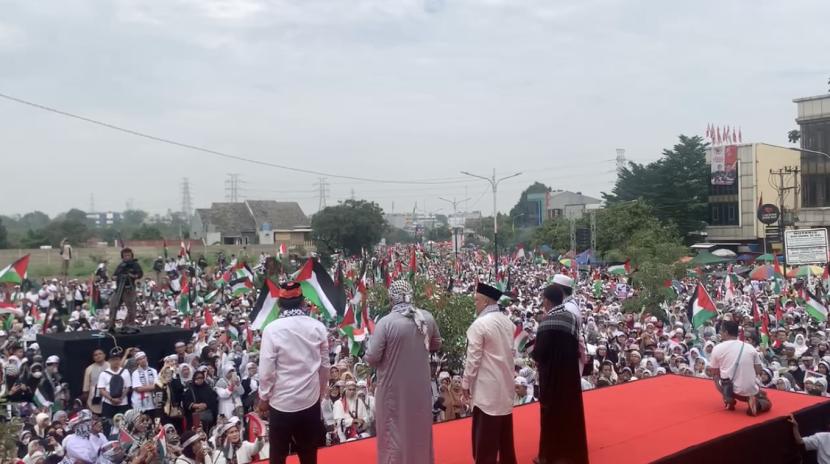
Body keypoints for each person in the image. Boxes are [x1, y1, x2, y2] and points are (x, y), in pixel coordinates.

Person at [364, 279, 442, 464]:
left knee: (393, 433)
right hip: (420, 388)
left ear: (392, 299)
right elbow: (436, 344)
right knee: (419, 430)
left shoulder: (386, 323)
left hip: (393, 390)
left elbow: (372, 356)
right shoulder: (426, 318)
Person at [258, 281, 329, 464]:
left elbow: (266, 371)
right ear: (303, 302)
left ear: (279, 304)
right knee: (308, 455)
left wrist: (264, 397)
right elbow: (325, 367)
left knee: (278, 455)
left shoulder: (271, 330)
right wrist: (319, 394)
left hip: (281, 404)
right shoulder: (317, 327)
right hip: (309, 401)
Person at [532, 284, 589, 464]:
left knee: (550, 418)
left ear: (547, 301)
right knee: (571, 415)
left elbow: (539, 354)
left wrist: (531, 350)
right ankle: (572, 456)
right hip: (570, 378)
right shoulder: (572, 318)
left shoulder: (545, 323)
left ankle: (547, 457)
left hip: (551, 381)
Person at [462, 282, 517, 464]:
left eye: (476, 300)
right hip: (505, 385)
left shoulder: (480, 325)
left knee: (485, 441)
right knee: (505, 437)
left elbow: (473, 360)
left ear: (485, 301)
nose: (474, 304)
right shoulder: (508, 322)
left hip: (487, 389)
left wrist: (465, 384)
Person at [706, 320, 772, 416]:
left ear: (726, 332)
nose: (719, 333)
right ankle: (757, 404)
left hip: (728, 387)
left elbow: (714, 372)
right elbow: (759, 370)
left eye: (721, 331)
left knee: (716, 377)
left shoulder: (717, 348)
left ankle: (728, 398)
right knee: (767, 402)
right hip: (749, 390)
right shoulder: (750, 348)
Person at [110, 248, 144, 328]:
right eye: (125, 255)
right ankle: (111, 325)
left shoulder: (135, 264)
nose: (127, 257)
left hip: (129, 289)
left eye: (128, 255)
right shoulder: (121, 265)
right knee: (113, 306)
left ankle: (128, 324)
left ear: (131, 256)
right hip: (119, 289)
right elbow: (114, 275)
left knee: (131, 309)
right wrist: (114, 277)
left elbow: (140, 274)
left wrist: (132, 275)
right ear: (122, 256)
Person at [97, 349, 131, 419]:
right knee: (107, 424)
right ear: (109, 361)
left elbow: (127, 387)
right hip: (108, 403)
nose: (116, 361)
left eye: (118, 359)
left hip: (123, 403)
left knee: (123, 424)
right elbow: (102, 390)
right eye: (114, 360)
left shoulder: (125, 372)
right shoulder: (103, 374)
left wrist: (121, 398)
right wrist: (111, 399)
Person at [130, 351, 159, 417]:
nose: (142, 360)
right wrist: (153, 386)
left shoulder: (154, 371)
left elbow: (158, 386)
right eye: (140, 359)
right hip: (140, 403)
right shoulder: (135, 373)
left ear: (146, 358)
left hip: (153, 402)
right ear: (137, 362)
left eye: (143, 358)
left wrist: (147, 387)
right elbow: (138, 389)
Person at [82, 349, 108, 415]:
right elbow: (86, 388)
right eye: (95, 355)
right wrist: (87, 403)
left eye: (100, 354)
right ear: (93, 358)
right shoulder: (89, 369)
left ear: (104, 355)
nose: (98, 356)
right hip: (93, 397)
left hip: (109, 396)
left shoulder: (110, 366)